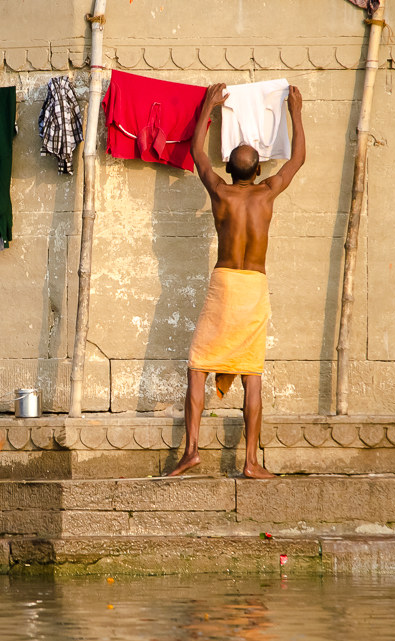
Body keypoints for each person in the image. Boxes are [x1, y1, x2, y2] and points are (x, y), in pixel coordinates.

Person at [168, 83, 305, 479]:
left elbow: (197, 154)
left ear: (229, 169)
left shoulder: (221, 193)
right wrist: (295, 111)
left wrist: (208, 108)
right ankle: (250, 462)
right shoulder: (267, 193)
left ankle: (192, 451)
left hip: (225, 283)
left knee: (199, 367)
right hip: (253, 288)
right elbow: (297, 159)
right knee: (251, 373)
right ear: (259, 169)